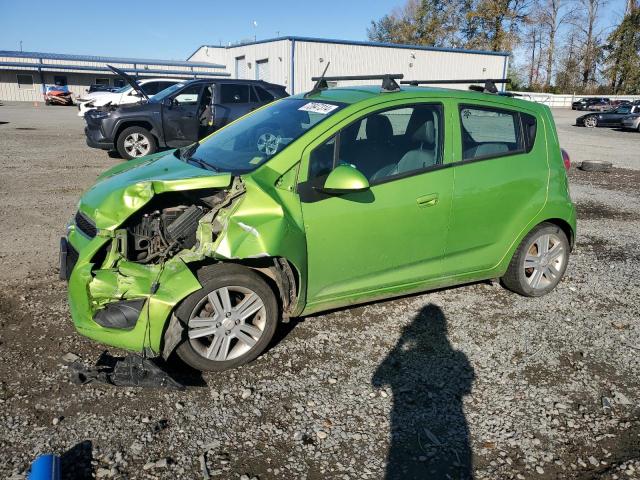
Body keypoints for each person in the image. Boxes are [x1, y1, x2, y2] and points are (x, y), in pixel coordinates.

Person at [372, 304, 475, 479]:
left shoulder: (407, 355)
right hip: (452, 418)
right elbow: (466, 387)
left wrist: (399, 344)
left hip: (402, 422)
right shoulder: (458, 357)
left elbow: (377, 380)